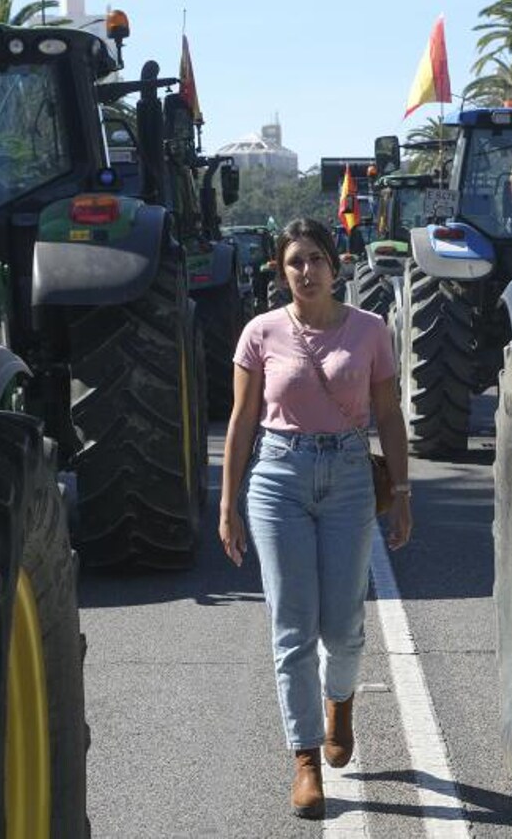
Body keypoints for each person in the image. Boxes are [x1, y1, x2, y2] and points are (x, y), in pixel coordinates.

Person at [219, 217, 413, 820]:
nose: (305, 272)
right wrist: (228, 504)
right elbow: (241, 421)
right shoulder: (260, 333)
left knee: (345, 627)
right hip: (278, 478)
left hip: (351, 478)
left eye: (315, 260)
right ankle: (305, 759)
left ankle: (340, 703)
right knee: (293, 629)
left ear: (336, 265)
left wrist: (402, 492)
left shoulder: (371, 331)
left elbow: (387, 414)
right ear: (282, 271)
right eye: (294, 262)